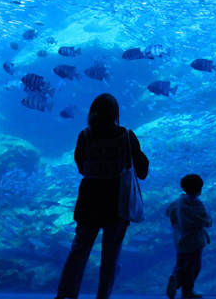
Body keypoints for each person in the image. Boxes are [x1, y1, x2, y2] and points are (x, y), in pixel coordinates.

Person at [55, 93, 149, 299]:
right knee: (110, 254)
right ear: (116, 113)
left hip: (89, 198)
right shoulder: (126, 135)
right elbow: (142, 171)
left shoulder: (85, 135)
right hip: (117, 200)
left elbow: (81, 167)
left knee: (78, 250)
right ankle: (102, 297)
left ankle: (65, 295)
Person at [166, 174, 213, 299]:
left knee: (181, 263)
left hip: (181, 240)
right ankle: (188, 290)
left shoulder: (178, 202)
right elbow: (206, 220)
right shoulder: (198, 203)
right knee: (193, 266)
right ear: (200, 188)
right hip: (195, 241)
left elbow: (169, 212)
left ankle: (175, 277)